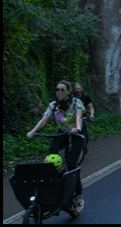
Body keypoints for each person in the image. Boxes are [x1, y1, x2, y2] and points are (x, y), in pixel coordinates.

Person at [27, 80, 86, 213]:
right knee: (50, 159)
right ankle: (51, 189)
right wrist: (33, 131)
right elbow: (44, 119)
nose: (59, 92)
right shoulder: (54, 105)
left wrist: (77, 128)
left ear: (68, 91)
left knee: (71, 164)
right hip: (62, 133)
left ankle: (78, 196)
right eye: (57, 89)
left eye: (62, 89)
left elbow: (79, 117)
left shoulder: (76, 103)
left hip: (76, 135)